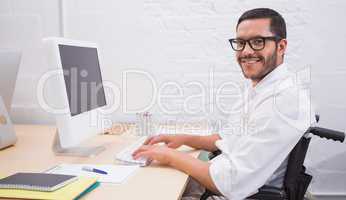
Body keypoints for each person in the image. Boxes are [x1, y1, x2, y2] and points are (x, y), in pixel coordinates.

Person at [133, 8, 313, 200]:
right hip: (223, 177)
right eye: (241, 43)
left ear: (281, 47)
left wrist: (169, 155)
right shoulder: (261, 87)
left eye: (258, 42)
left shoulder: (284, 99)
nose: (246, 51)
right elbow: (228, 137)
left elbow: (231, 184)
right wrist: (184, 138)